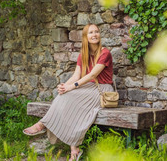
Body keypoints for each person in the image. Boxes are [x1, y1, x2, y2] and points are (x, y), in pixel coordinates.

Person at [23, 24, 114, 161]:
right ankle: (74, 148)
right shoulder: (83, 55)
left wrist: (73, 87)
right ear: (85, 37)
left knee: (72, 99)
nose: (94, 35)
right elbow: (76, 75)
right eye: (91, 32)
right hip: (88, 87)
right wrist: (65, 86)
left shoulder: (104, 53)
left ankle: (44, 124)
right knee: (64, 95)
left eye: (96, 32)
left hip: (102, 89)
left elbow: (92, 75)